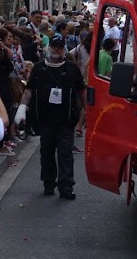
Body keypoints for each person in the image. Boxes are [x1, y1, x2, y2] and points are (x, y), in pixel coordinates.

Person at [15, 37, 86, 200]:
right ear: (48, 48)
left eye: (59, 47)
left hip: (66, 120)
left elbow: (82, 93)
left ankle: (66, 186)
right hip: (45, 120)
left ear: (64, 49)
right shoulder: (39, 69)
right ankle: (48, 182)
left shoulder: (72, 69)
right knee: (46, 153)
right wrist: (21, 110)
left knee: (65, 153)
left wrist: (87, 113)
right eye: (53, 46)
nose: (56, 49)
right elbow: (28, 91)